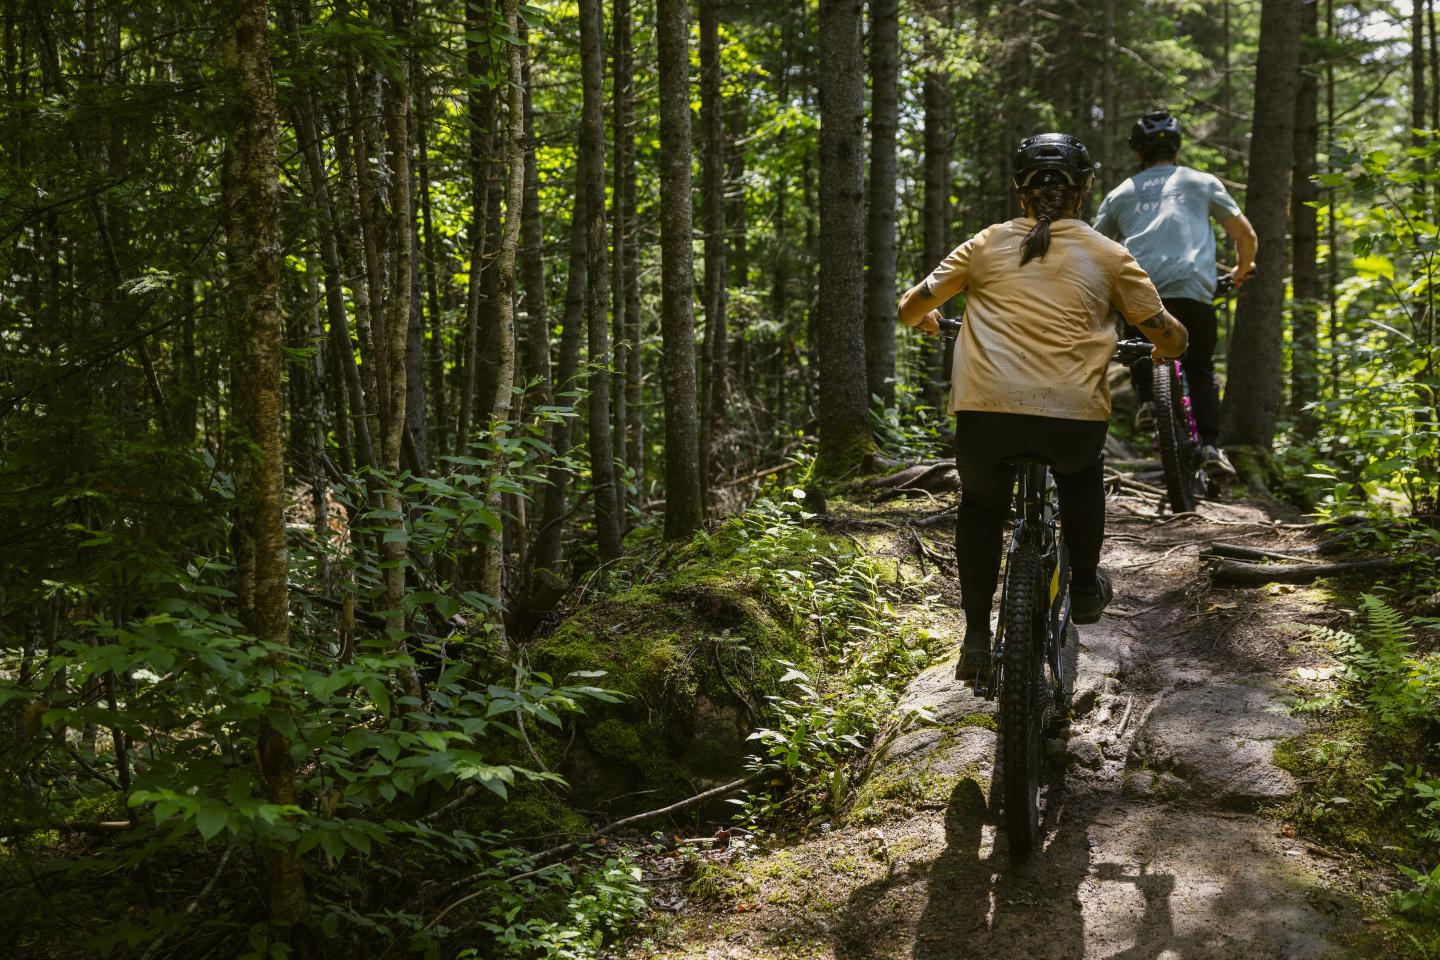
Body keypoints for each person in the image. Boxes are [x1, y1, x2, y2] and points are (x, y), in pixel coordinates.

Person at [897, 133, 1188, 684]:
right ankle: (1082, 587)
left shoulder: (984, 245)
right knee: (1080, 472)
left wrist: (932, 319)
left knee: (982, 507)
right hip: (1071, 420)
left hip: (985, 417)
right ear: (1084, 193)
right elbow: (1167, 337)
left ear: (1020, 193)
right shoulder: (1109, 255)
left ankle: (978, 636)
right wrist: (1166, 342)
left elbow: (912, 306)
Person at [1093, 109, 1258, 479]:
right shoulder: (1202, 182)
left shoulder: (1120, 193)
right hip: (1192, 290)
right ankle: (1212, 447)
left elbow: (1093, 244)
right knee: (1199, 366)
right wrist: (1242, 270)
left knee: (1140, 350)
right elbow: (1245, 237)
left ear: (1138, 152)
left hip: (1140, 288)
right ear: (1176, 148)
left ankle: (1149, 401)